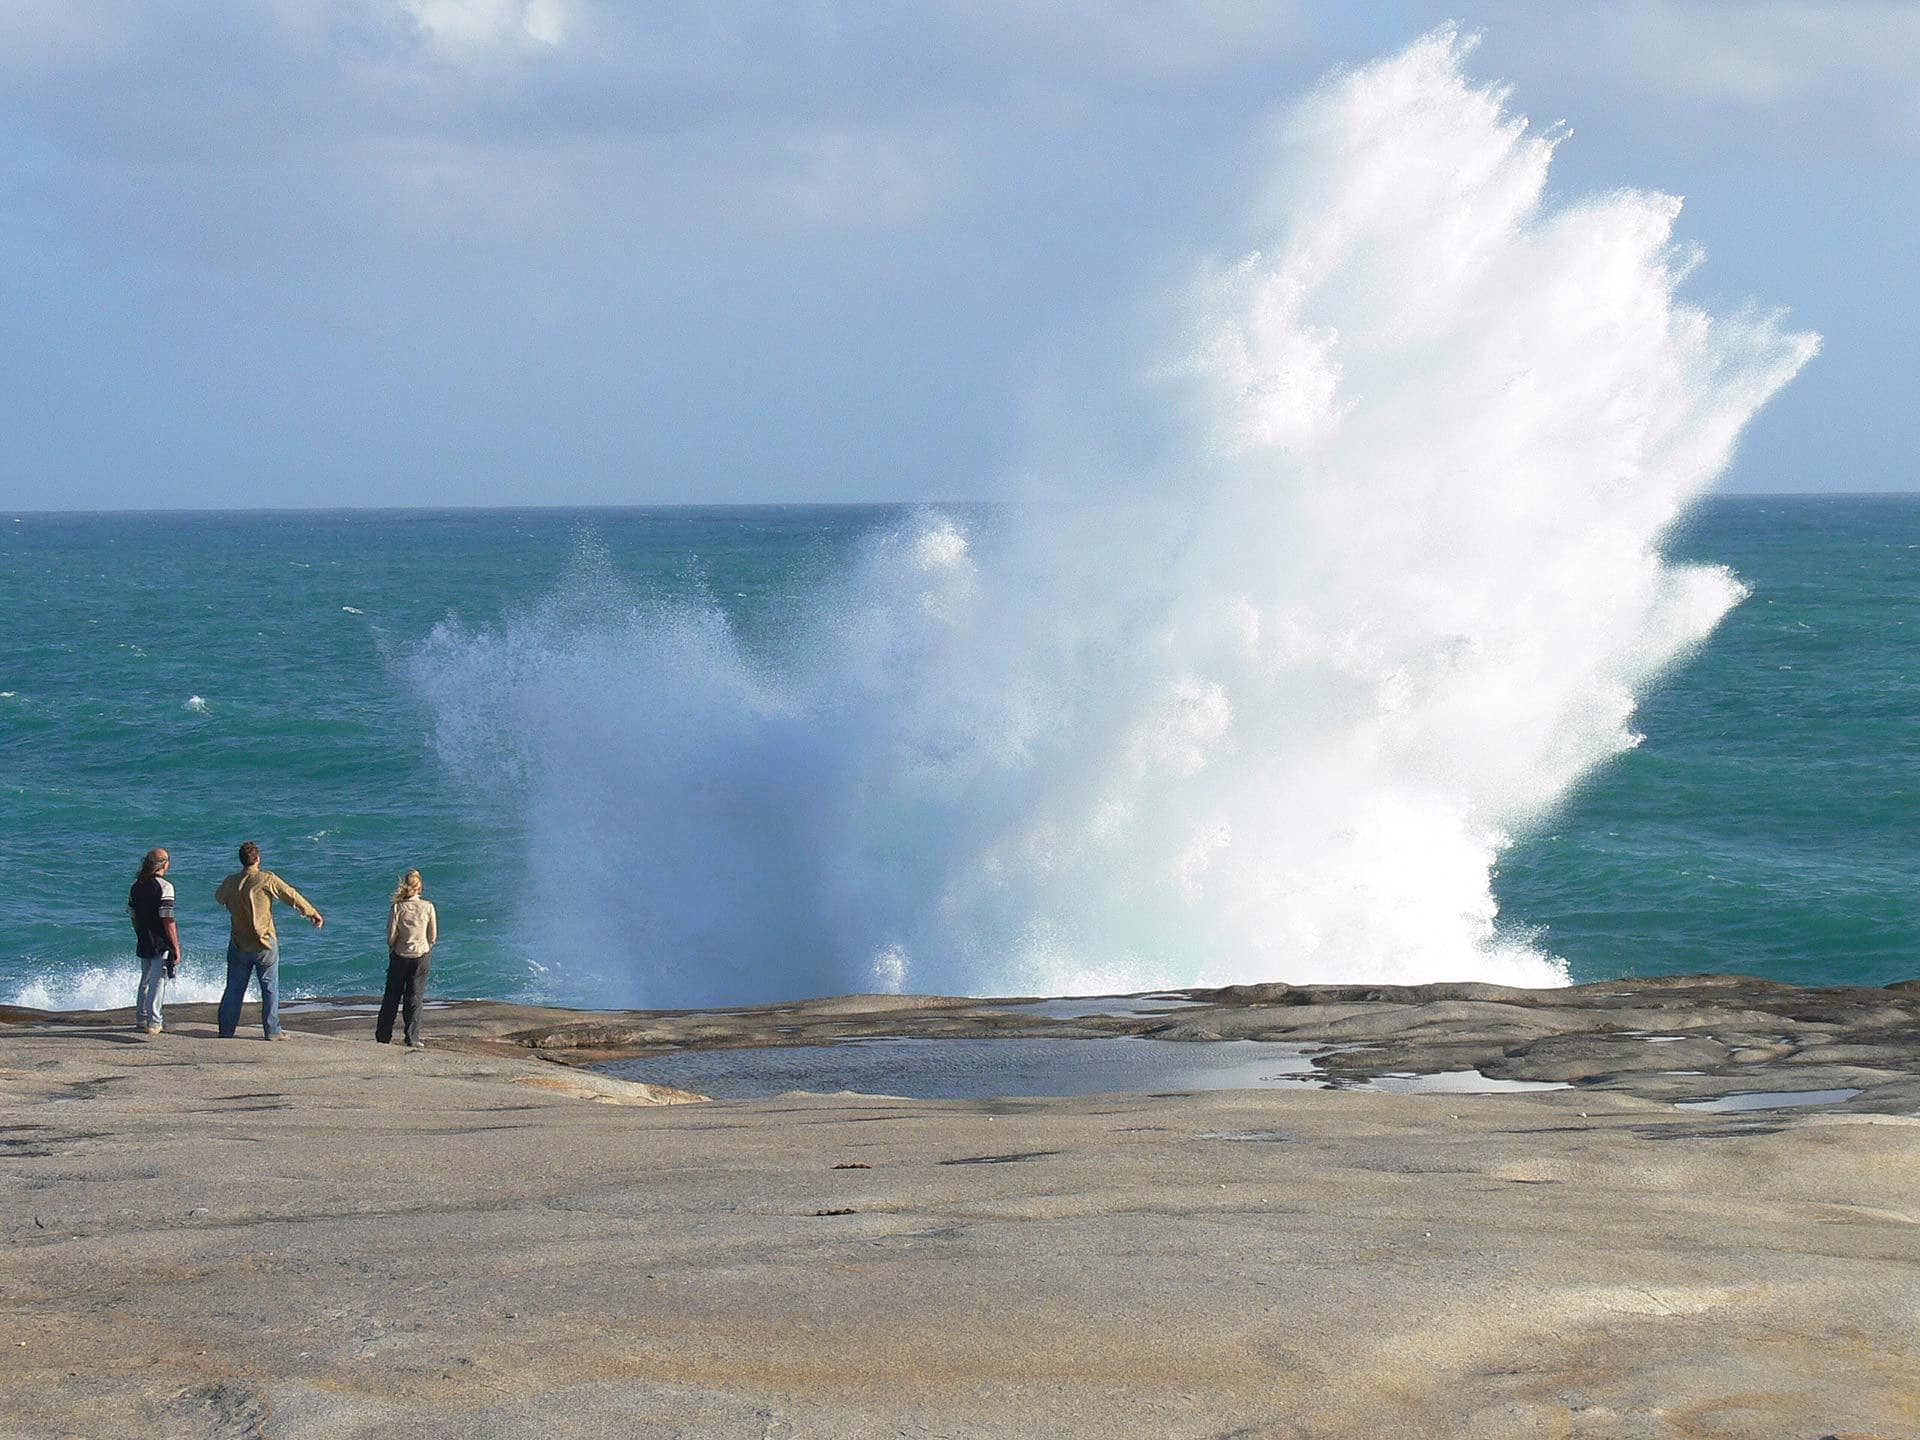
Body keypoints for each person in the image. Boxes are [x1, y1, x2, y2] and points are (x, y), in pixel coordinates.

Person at [213, 841, 323, 1040]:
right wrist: (312, 913)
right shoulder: (266, 879)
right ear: (257, 859)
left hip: (239, 942)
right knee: (270, 988)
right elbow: (290, 895)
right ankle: (272, 1030)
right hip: (264, 943)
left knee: (234, 989)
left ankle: (226, 1031)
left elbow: (219, 897)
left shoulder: (231, 881)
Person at [378, 869, 437, 1050]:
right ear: (420, 887)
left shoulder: (397, 907)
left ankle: (383, 1036)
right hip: (421, 955)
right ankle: (412, 1037)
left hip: (399, 955)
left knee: (391, 997)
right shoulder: (428, 907)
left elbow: (390, 936)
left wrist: (395, 948)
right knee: (414, 998)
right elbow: (433, 936)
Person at [127, 847, 181, 1035]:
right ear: (164, 864)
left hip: (143, 937)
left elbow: (132, 914)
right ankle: (154, 1021)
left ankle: (141, 1017)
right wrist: (175, 946)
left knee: (146, 979)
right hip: (160, 940)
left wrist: (139, 933)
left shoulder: (136, 886)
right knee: (158, 981)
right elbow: (168, 919)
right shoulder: (165, 887)